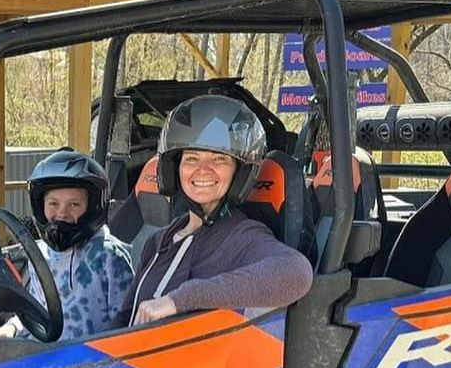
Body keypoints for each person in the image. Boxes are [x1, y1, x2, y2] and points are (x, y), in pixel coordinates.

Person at [119, 95, 313, 326]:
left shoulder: (242, 236)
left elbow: (296, 273)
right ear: (174, 169)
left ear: (239, 174)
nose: (203, 170)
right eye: (191, 158)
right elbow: (123, 320)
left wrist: (181, 299)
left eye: (219, 159)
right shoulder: (159, 241)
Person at [0, 149, 134, 341]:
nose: (62, 213)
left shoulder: (110, 257)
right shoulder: (39, 255)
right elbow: (36, 311)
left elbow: (127, 326)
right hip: (43, 355)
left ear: (93, 207)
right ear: (40, 206)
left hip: (89, 361)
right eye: (53, 204)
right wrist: (10, 329)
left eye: (74, 205)